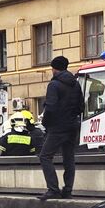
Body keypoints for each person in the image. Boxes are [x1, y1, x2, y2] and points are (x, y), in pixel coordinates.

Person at [38, 56, 84, 200]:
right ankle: (68, 191)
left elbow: (50, 107)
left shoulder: (54, 84)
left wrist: (45, 123)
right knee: (69, 159)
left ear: (54, 68)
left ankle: (53, 189)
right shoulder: (75, 84)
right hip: (72, 127)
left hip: (58, 127)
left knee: (45, 156)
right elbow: (81, 107)